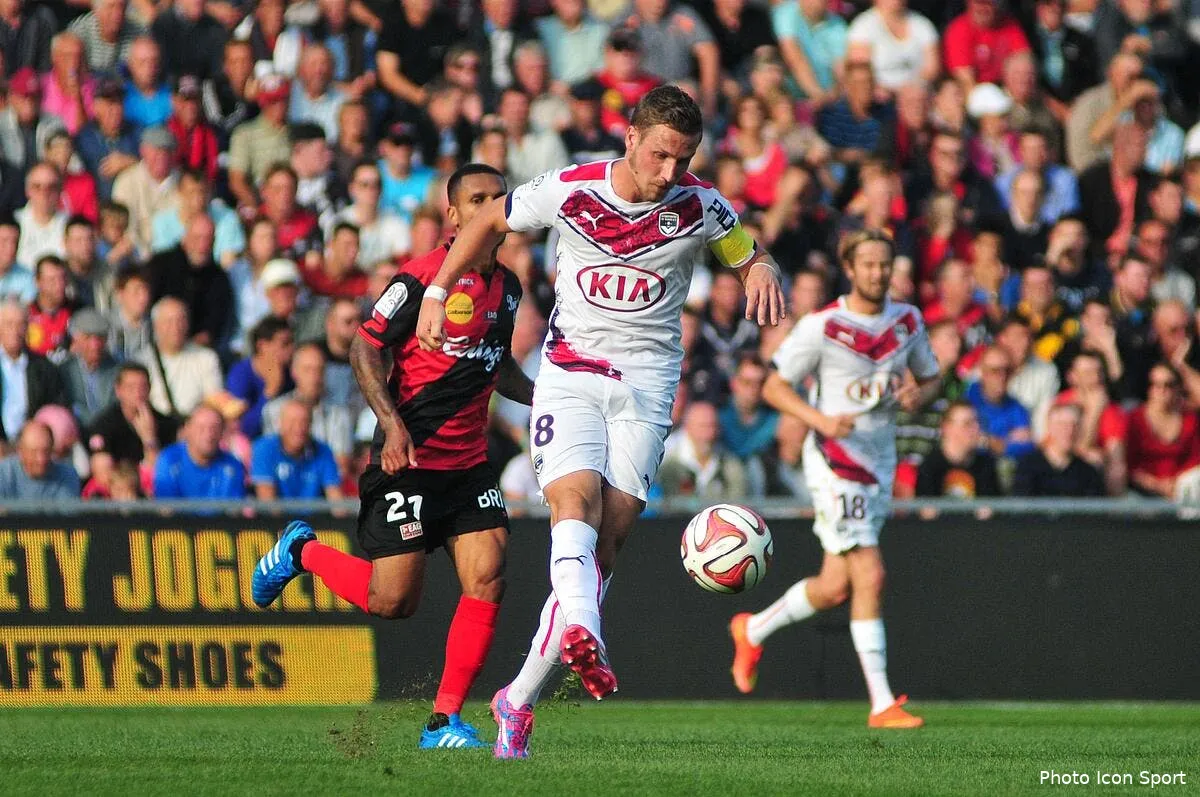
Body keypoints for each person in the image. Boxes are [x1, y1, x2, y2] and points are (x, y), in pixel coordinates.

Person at [413, 86, 785, 758]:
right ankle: (587, 627)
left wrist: (763, 267)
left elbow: (748, 250)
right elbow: (489, 222)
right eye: (662, 154)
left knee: (604, 541)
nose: (670, 171)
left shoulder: (700, 203)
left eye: (685, 158)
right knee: (573, 502)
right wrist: (437, 290)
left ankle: (515, 699)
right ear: (631, 138)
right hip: (571, 372)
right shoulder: (571, 189)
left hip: (647, 385)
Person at [249, 164, 534, 751]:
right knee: (393, 602)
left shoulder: (509, 289)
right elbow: (364, 346)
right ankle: (302, 551)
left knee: (489, 576)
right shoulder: (420, 279)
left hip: (468, 466)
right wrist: (391, 424)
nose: (488, 208)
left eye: (496, 198)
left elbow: (496, 364)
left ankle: (443, 722)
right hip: (408, 459)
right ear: (453, 215)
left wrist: (551, 393)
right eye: (474, 200)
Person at [729, 228, 939, 730]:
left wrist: (919, 396)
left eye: (884, 265)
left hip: (878, 462)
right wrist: (821, 421)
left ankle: (752, 630)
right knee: (871, 573)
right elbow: (776, 387)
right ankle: (882, 703)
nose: (877, 273)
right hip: (834, 458)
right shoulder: (823, 326)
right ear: (850, 268)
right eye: (867, 264)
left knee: (834, 585)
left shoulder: (907, 321)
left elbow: (931, 379)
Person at [85, 361, 177, 474]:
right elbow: (102, 470)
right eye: (130, 387)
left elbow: (163, 472)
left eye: (142, 387)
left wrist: (150, 439)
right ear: (118, 390)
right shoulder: (104, 425)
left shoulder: (166, 424)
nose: (137, 393)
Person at [250, 399, 341, 499]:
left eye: (304, 422)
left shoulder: (323, 451)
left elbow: (336, 499)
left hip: (314, 514)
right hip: (279, 514)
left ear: (311, 425)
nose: (298, 427)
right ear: (281, 424)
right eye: (292, 422)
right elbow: (268, 503)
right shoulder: (264, 449)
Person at [153, 404, 246, 498]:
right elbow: (165, 508)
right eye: (201, 428)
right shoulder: (169, 460)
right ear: (188, 429)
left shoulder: (232, 466)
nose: (208, 435)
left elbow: (233, 509)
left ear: (222, 432)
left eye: (214, 428)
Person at [1012, 403, 1105, 496]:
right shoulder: (1027, 467)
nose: (1069, 431)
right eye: (1062, 425)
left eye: (1074, 425)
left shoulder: (1088, 473)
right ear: (1049, 427)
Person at [914, 401, 1001, 498]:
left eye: (977, 422)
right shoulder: (930, 467)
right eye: (967, 424)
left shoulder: (986, 466)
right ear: (947, 428)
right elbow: (925, 509)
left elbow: (994, 507)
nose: (976, 428)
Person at [0, 420, 80, 498]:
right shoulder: (4, 473)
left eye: (46, 451)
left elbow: (68, 510)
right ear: (20, 451)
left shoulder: (67, 476)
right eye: (34, 452)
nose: (41, 459)